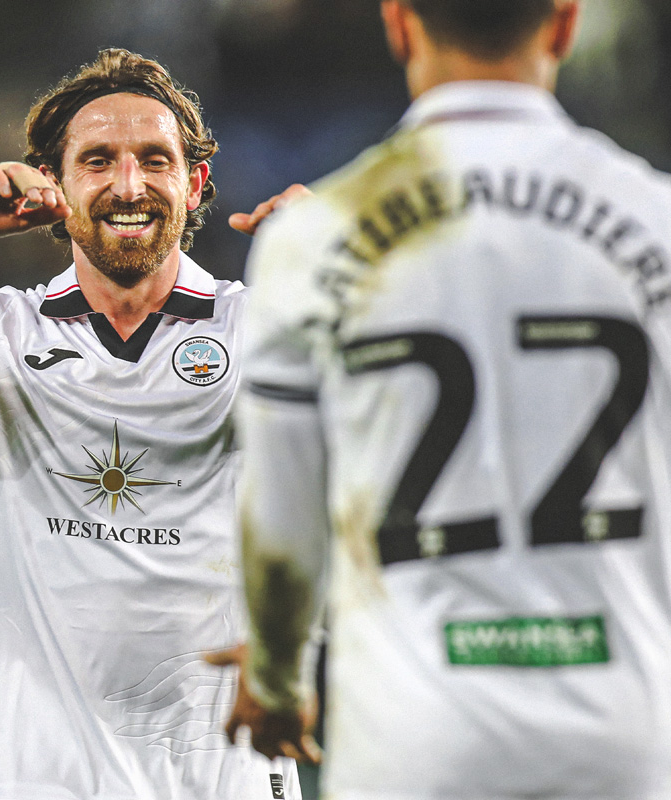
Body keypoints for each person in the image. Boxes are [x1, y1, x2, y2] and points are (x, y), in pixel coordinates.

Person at [216, 1, 671, 797]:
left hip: (415, 738)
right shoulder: (658, 221)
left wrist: (278, 680)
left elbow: (282, 524)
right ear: (563, 23)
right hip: (622, 735)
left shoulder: (314, 238)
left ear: (398, 23)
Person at [0, 48, 303, 800]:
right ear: (56, 187)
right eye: (98, 160)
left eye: (155, 160)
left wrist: (354, 263)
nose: (129, 185)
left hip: (224, 783)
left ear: (195, 182)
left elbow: (444, 378)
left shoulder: (265, 326)